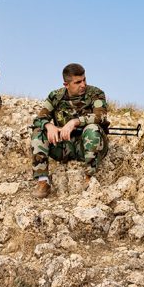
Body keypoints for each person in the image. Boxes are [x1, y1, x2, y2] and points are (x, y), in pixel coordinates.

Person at [30, 63, 109, 198]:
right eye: (77, 82)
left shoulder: (96, 93)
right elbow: (39, 118)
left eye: (84, 79)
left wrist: (75, 122)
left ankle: (89, 178)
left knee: (92, 129)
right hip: (64, 146)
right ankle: (43, 181)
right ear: (66, 84)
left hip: (88, 146)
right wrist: (49, 126)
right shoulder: (55, 96)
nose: (83, 84)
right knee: (38, 132)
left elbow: (100, 116)